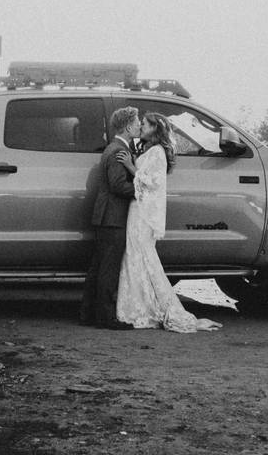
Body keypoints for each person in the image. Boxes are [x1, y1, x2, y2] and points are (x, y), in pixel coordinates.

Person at [114, 112, 222, 332]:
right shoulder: (150, 150)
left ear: (155, 128)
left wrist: (129, 166)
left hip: (142, 211)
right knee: (137, 255)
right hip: (138, 208)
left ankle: (147, 308)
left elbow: (151, 183)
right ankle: (141, 306)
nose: (141, 126)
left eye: (144, 124)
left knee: (140, 255)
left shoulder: (157, 152)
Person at [80, 106, 141, 328]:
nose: (140, 125)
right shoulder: (118, 151)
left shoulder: (113, 148)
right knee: (108, 269)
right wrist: (143, 188)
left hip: (106, 217)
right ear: (127, 126)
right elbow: (118, 186)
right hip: (113, 217)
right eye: (137, 122)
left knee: (98, 268)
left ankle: (88, 314)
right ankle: (105, 318)